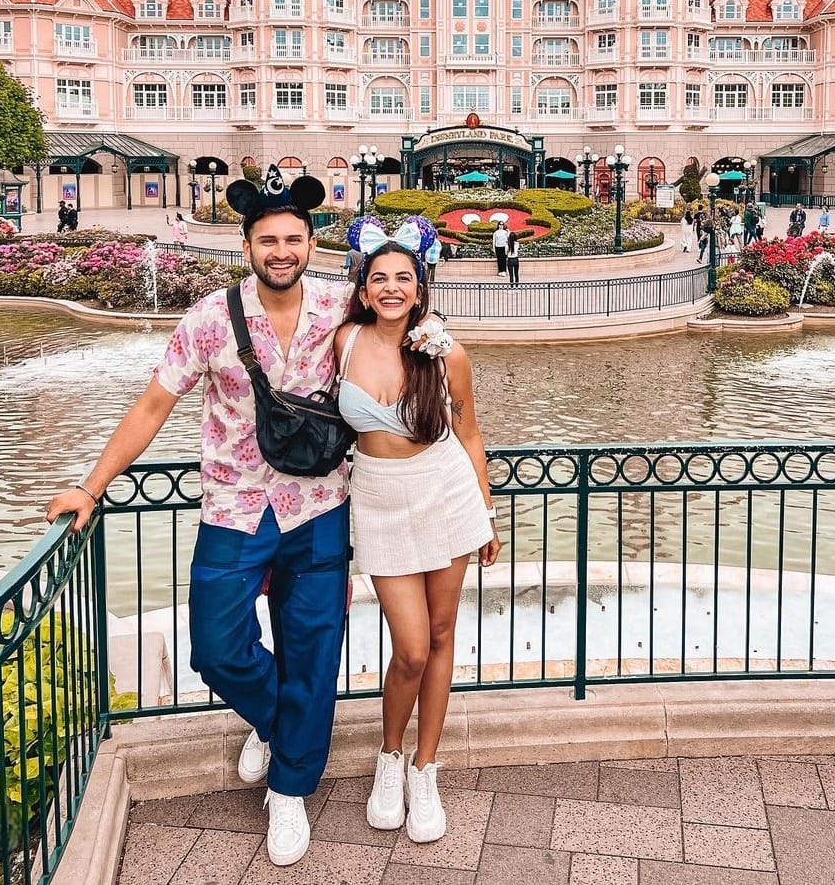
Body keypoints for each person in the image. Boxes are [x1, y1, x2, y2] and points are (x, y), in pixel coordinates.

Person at [45, 169, 453, 869]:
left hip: (321, 504)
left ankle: (290, 790)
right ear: (247, 246)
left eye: (294, 238)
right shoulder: (207, 319)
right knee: (216, 646)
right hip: (233, 505)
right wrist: (91, 486)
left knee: (314, 652)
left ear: (311, 243)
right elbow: (151, 407)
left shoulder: (339, 310)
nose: (282, 249)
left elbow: (400, 318)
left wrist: (435, 336)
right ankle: (278, 723)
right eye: (269, 240)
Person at [334, 215, 500, 844]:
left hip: (445, 491)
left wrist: (485, 511)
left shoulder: (445, 351)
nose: (392, 288)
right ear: (364, 287)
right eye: (380, 278)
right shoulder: (343, 342)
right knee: (409, 647)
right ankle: (389, 757)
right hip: (377, 497)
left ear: (421, 286)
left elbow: (471, 434)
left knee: (438, 634)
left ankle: (425, 770)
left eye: (405, 278)